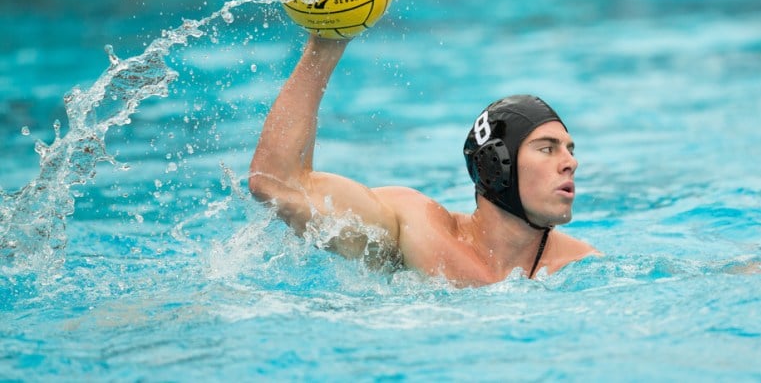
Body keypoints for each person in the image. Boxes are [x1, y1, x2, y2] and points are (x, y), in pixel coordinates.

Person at [249, 35, 598, 287]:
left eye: (570, 148)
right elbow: (275, 183)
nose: (571, 162)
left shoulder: (580, 266)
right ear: (497, 165)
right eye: (547, 148)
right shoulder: (414, 227)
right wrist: (324, 47)